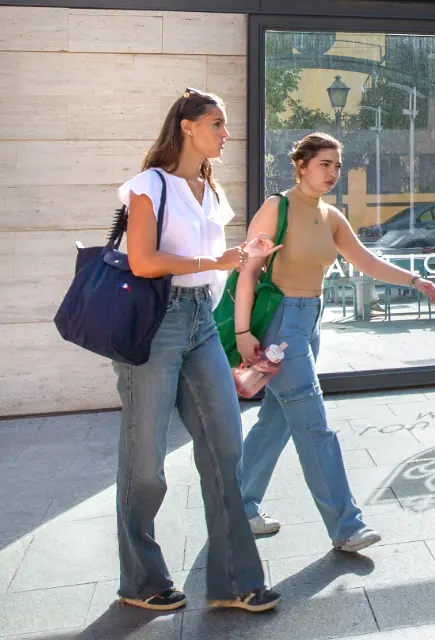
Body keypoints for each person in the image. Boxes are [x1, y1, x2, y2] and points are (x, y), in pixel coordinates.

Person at [116, 88, 281, 612]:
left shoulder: (210, 190)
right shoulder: (149, 185)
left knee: (225, 447)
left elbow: (214, 263)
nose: (226, 133)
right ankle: (141, 580)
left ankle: (234, 581)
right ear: (187, 127)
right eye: (216, 124)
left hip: (202, 323)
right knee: (146, 463)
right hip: (156, 324)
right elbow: (143, 261)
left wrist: (244, 257)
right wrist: (216, 260)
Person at [235, 132, 435, 551]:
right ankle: (347, 526)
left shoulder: (330, 216)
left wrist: (414, 279)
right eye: (324, 164)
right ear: (302, 165)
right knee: (314, 426)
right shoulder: (278, 207)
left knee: (276, 420)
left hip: (310, 321)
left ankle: (237, 507)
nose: (332, 173)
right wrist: (242, 332)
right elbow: (248, 270)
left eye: (337, 166)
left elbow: (365, 259)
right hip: (281, 324)